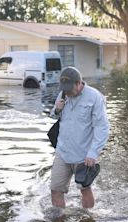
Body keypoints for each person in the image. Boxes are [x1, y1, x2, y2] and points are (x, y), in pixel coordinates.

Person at [49, 66, 109, 209]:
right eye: (65, 88)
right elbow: (54, 115)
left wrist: (93, 153)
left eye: (70, 88)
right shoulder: (63, 94)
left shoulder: (94, 97)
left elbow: (102, 128)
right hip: (62, 152)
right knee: (55, 189)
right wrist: (57, 109)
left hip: (84, 155)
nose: (67, 92)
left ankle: (87, 219)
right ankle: (59, 221)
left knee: (85, 189)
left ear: (79, 83)